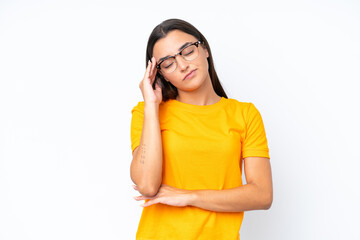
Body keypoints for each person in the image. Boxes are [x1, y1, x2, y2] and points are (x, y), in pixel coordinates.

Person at [130, 18, 273, 240]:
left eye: (187, 51)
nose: (183, 65)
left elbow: (262, 195)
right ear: (161, 75)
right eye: (168, 64)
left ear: (204, 48)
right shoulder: (147, 113)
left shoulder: (244, 114)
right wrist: (151, 104)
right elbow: (147, 185)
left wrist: (189, 197)